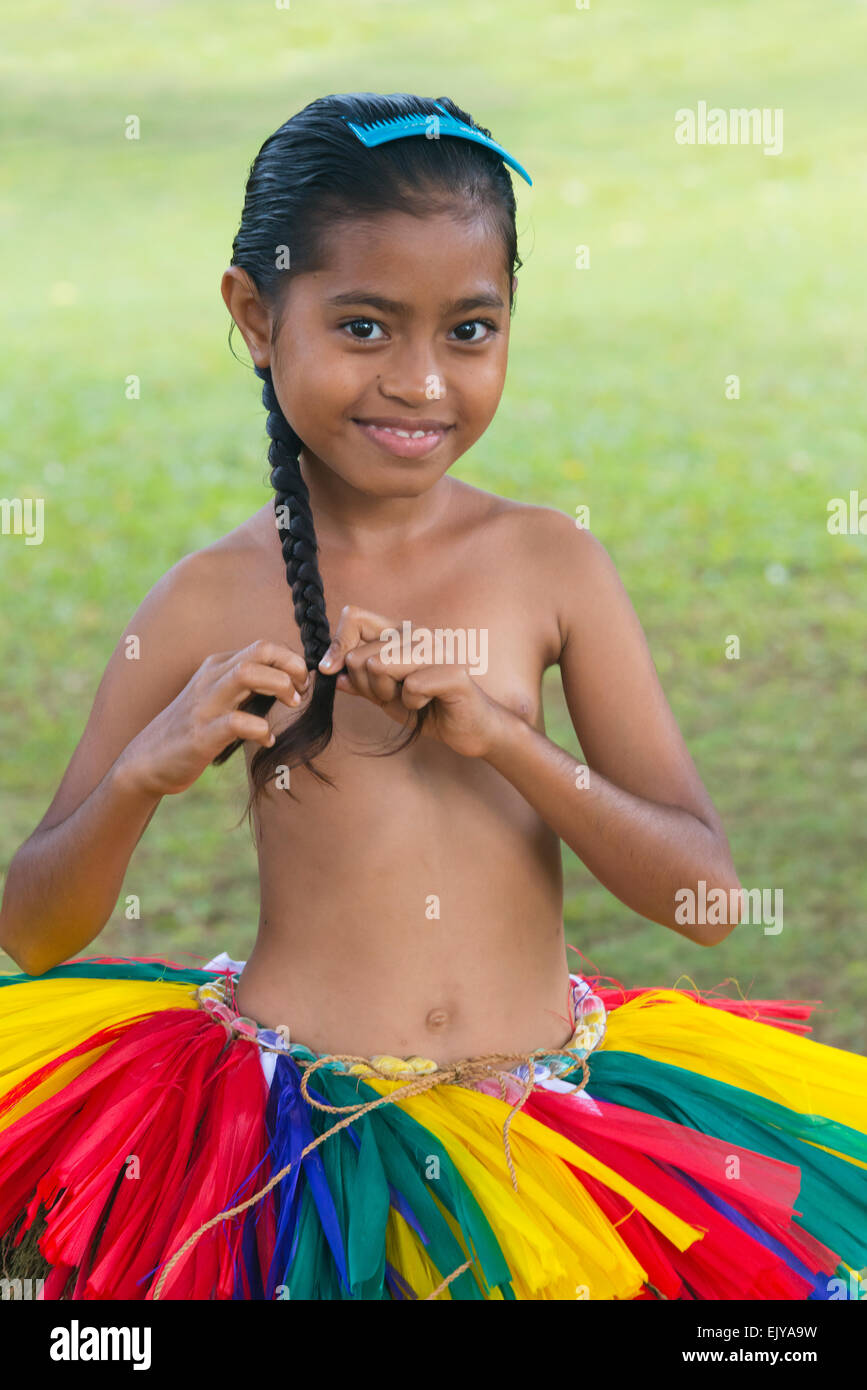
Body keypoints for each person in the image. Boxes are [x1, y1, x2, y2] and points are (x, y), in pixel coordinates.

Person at [0, 92, 865, 1302]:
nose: (419, 381)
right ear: (257, 315)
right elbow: (34, 928)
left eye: (469, 329)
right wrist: (150, 764)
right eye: (363, 325)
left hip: (542, 1128)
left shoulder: (554, 562)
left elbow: (709, 896)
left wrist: (508, 740)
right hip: (299, 1148)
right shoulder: (203, 599)